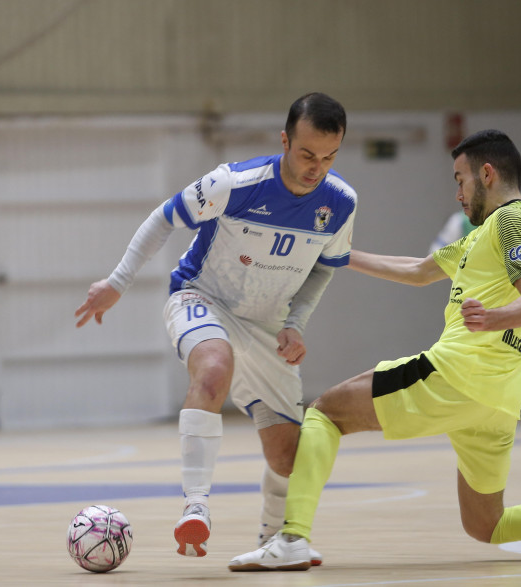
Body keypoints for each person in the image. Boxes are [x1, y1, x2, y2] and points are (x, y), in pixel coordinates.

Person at [227, 129, 521, 572]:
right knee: (487, 524)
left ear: (488, 174)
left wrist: (491, 317)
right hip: (496, 399)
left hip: (458, 372)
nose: (457, 192)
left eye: (460, 179)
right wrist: (333, 252)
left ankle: (292, 538)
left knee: (326, 412)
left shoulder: (514, 220)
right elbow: (418, 271)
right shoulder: (483, 234)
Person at [74, 93, 357, 563]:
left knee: (290, 457)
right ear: (285, 140)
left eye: (329, 156)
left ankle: (275, 541)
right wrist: (117, 281)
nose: (316, 167)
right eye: (307, 154)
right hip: (202, 298)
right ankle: (197, 506)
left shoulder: (340, 202)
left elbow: (324, 268)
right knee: (213, 367)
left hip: (268, 325)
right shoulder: (235, 182)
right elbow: (163, 218)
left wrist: (295, 323)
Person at [431, 213, 521, 424]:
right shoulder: (459, 222)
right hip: (474, 302)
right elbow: (434, 255)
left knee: (519, 351)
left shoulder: (507, 221)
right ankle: (470, 409)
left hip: (506, 298)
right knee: (466, 357)